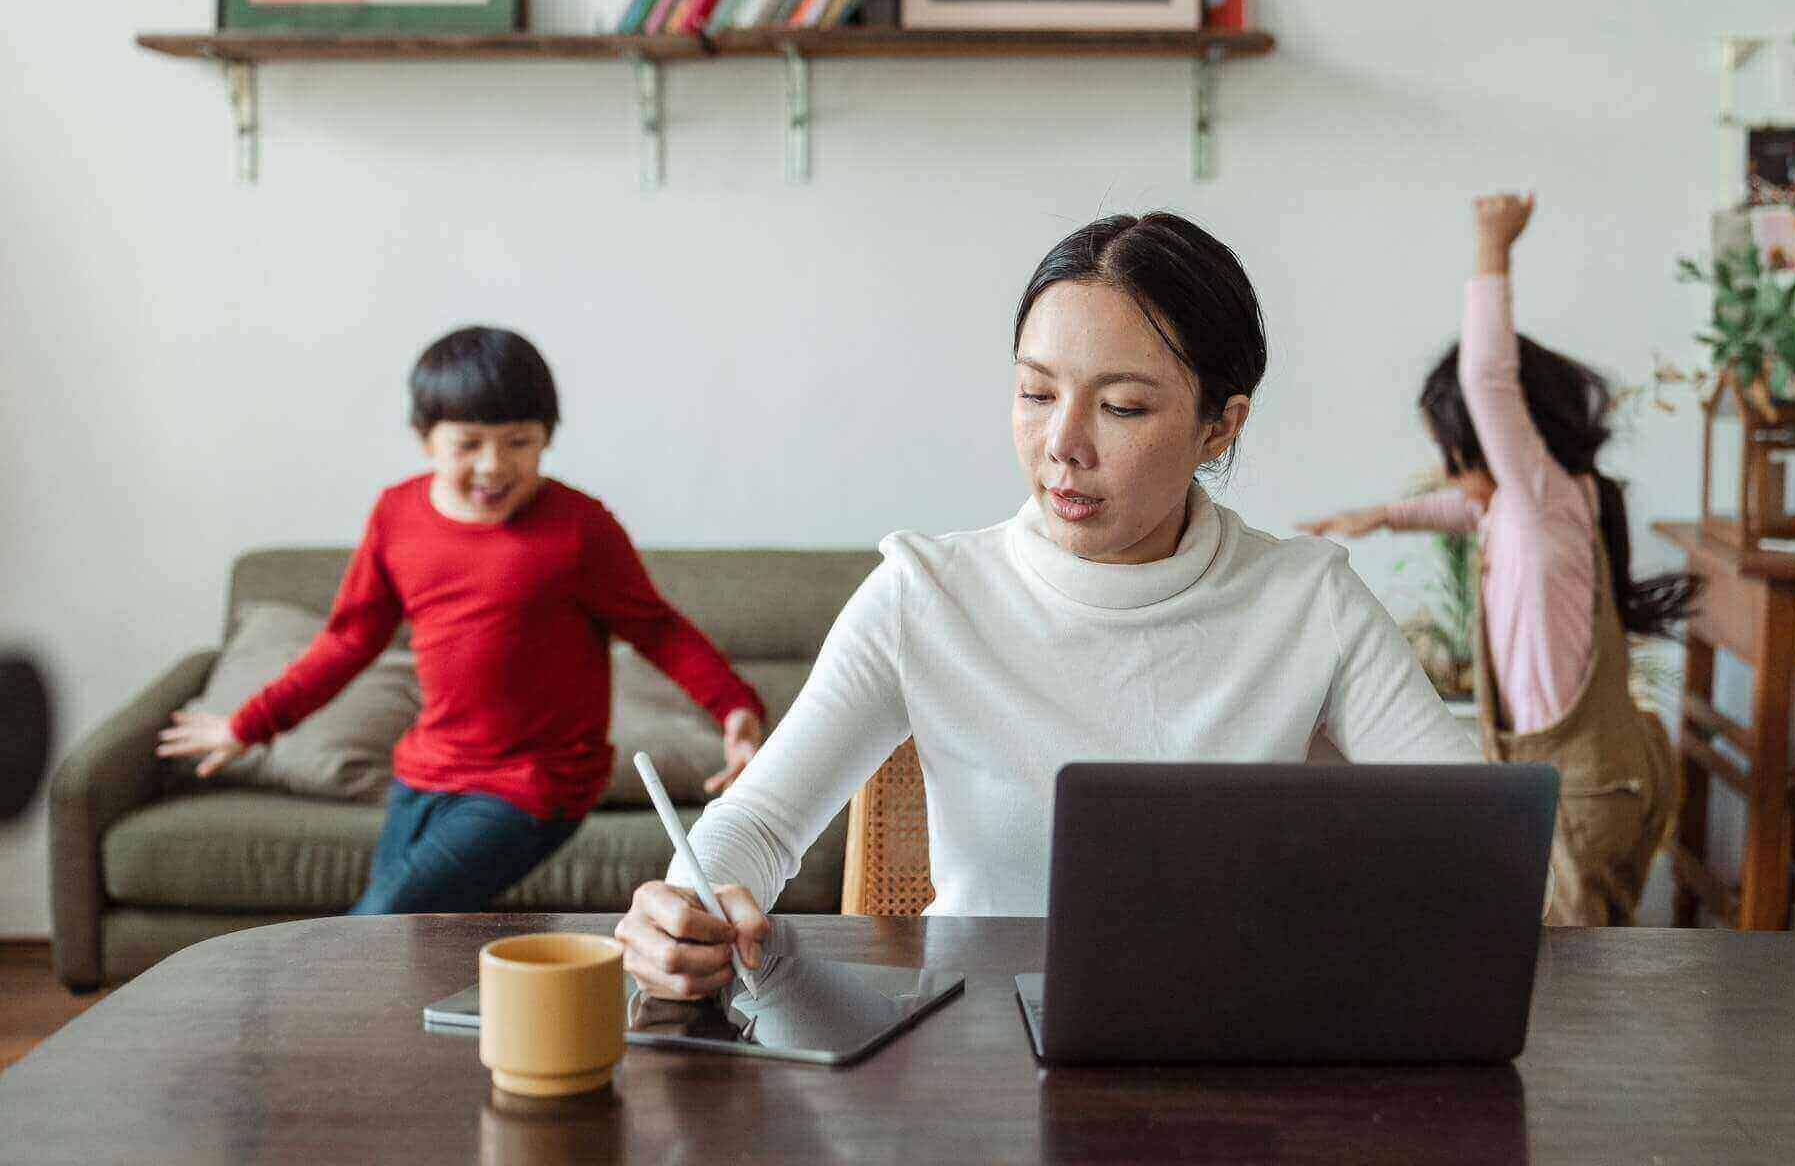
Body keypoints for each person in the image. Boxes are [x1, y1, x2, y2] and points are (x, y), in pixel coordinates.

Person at [615, 213, 1482, 1001]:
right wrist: (686, 906)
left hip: (1234, 1045)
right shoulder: (927, 594)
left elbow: (1475, 837)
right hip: (975, 1055)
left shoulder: (1307, 600)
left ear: (1221, 427)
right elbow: (761, 822)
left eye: (1122, 406)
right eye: (1036, 393)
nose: (1063, 445)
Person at [157, 327, 767, 914]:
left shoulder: (580, 529)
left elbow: (658, 629)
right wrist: (250, 724)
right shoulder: (396, 515)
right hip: (426, 771)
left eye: (519, 442)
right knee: (406, 946)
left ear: (547, 437)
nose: (494, 466)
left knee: (377, 924)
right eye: (469, 444)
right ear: (426, 438)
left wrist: (734, 709)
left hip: (537, 783)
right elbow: (348, 640)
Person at [1300, 193, 1692, 925]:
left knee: (1572, 974)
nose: (1449, 477)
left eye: (1449, 454)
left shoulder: (1539, 493)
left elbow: (1486, 379)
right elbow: (1468, 508)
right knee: (1552, 964)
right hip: (1579, 776)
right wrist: (1384, 515)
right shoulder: (1538, 508)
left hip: (1582, 788)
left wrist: (1492, 246)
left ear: (1489, 440)